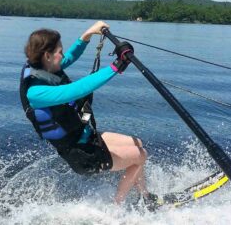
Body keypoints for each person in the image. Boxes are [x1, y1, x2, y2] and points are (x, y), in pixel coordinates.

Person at [20, 20, 158, 209]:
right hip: (83, 156)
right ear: (47, 56)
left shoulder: (43, 67)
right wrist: (116, 66)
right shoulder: (36, 93)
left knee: (137, 143)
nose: (63, 54)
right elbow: (76, 90)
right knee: (141, 155)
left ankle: (145, 196)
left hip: (87, 138)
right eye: (59, 51)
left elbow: (69, 58)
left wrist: (87, 35)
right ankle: (116, 207)